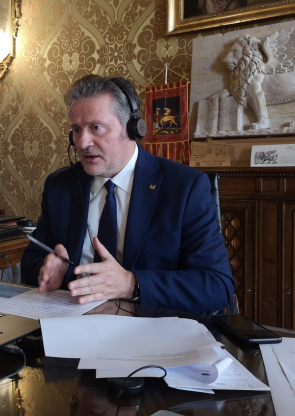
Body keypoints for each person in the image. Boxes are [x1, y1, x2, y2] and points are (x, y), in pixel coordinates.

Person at [20, 75, 235, 314]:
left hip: (150, 328)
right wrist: (46, 272)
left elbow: (217, 286)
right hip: (71, 322)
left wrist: (131, 284)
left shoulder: (185, 187)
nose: (82, 142)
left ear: (132, 128)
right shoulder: (59, 186)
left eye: (96, 128)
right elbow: (32, 259)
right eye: (76, 130)